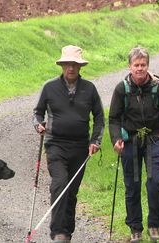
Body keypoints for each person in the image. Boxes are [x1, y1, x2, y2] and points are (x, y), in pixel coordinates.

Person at [33, 45, 104, 243]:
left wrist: (95, 141)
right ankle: (58, 233)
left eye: (74, 64)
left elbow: (99, 117)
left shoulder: (89, 89)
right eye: (67, 64)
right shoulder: (50, 87)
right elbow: (37, 112)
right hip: (55, 144)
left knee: (71, 191)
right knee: (60, 185)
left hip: (81, 147)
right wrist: (38, 124)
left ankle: (67, 232)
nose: (70, 68)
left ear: (80, 67)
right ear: (62, 65)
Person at [108, 46, 159, 243]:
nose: (140, 68)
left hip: (154, 139)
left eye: (143, 65)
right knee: (132, 185)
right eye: (136, 65)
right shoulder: (122, 89)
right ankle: (135, 228)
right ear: (130, 66)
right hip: (130, 140)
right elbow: (113, 118)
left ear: (148, 66)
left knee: (155, 182)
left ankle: (154, 225)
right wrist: (116, 139)